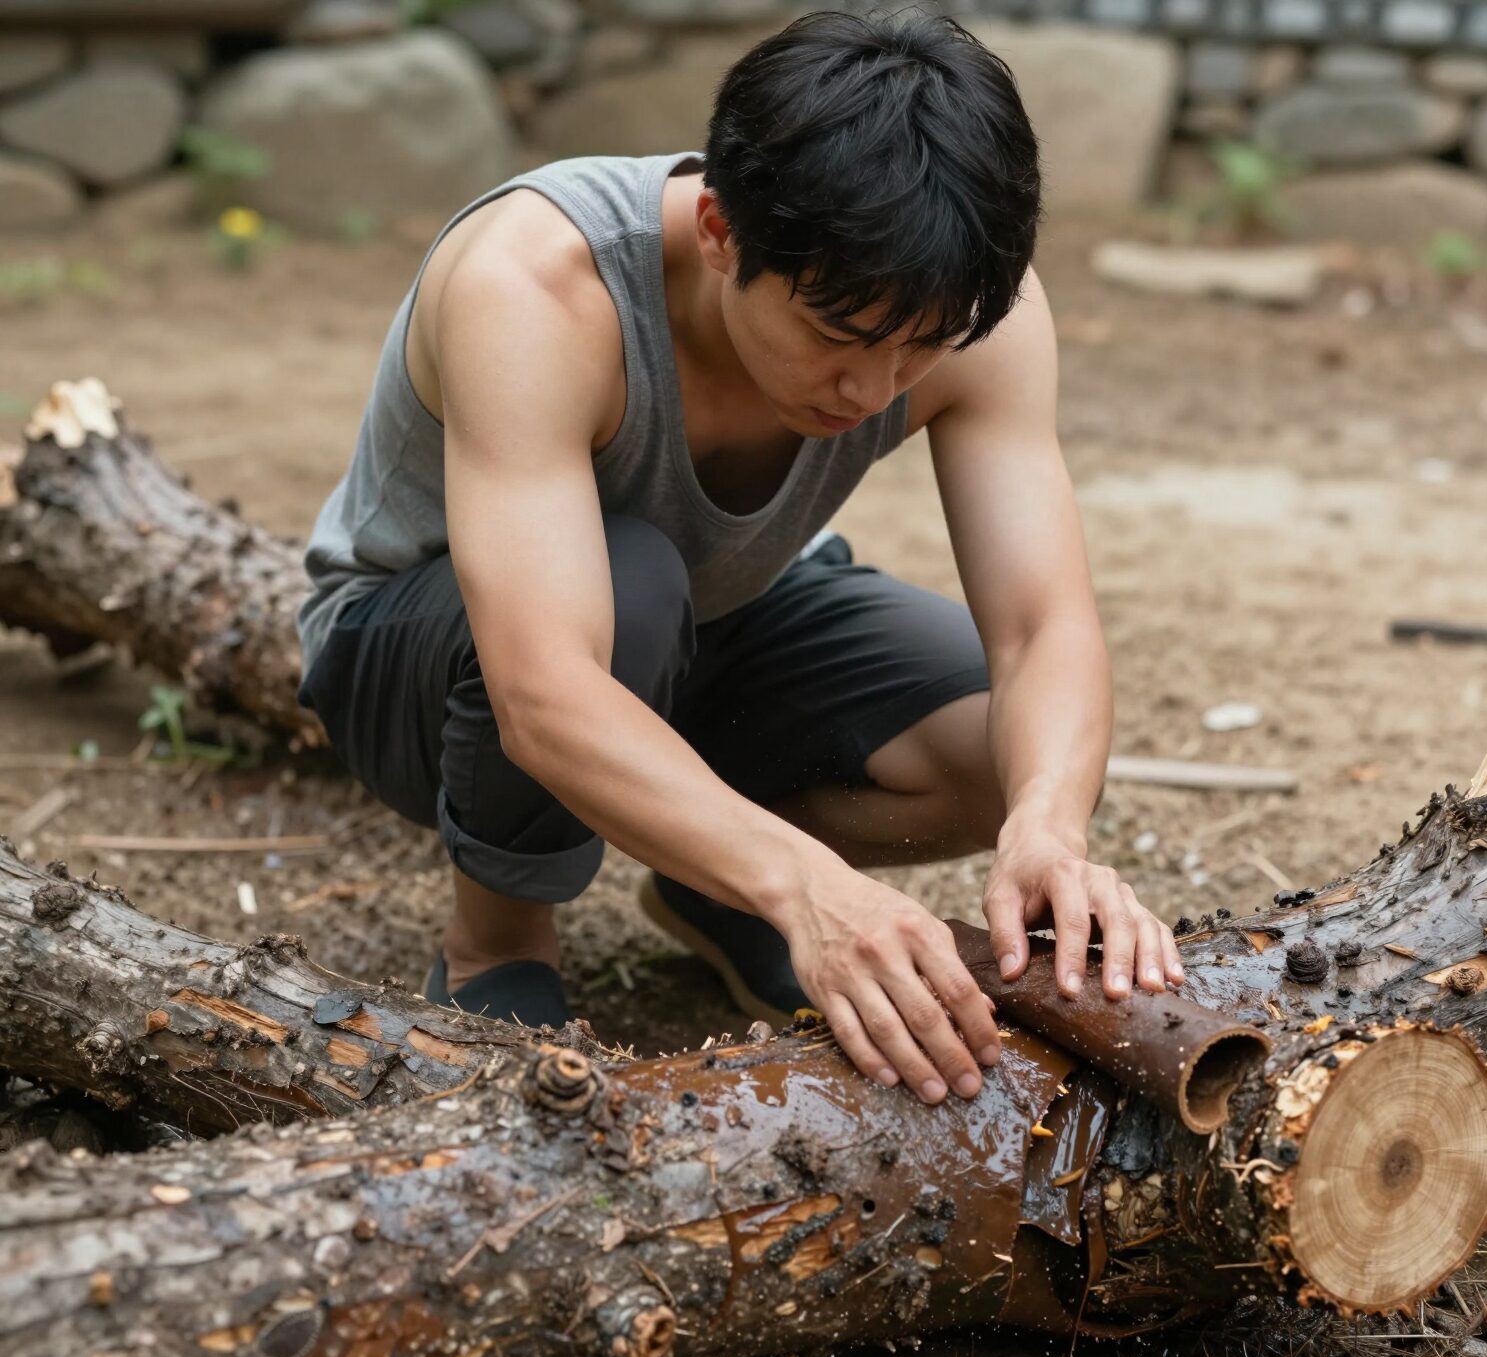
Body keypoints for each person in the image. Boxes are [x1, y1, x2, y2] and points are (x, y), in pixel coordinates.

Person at [296, 9, 1183, 1108]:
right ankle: (498, 940)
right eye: (838, 336)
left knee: (998, 744)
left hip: (722, 614)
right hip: (427, 662)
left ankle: (716, 888)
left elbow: (1044, 626)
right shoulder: (536, 285)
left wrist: (1048, 824)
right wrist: (811, 886)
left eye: (922, 348)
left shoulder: (963, 303)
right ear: (720, 230)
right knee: (630, 583)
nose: (874, 388)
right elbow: (542, 690)